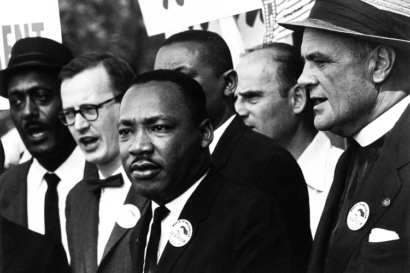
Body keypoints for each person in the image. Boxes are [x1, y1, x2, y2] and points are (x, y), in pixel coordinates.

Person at [154, 30, 311, 272]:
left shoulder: (267, 163)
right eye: (160, 82)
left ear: (228, 83)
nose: (166, 93)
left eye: (183, 79)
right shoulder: (165, 164)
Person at [279, 0, 410, 272]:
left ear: (379, 64)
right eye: (305, 62)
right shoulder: (354, 156)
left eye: (321, 61)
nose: (303, 78)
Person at [120, 69, 292, 273]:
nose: (138, 146)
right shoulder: (144, 223)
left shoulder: (250, 215)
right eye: (126, 132)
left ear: (204, 133)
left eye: (159, 128)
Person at [0, 37, 96, 272]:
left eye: (41, 96)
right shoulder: (4, 190)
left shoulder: (113, 177)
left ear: (69, 100)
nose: (28, 112)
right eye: (16, 101)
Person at [235, 43, 343, 237]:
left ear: (297, 99)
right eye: (235, 99)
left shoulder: (346, 175)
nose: (238, 110)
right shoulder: (235, 181)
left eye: (252, 97)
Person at [59, 53, 147, 273]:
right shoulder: (76, 198)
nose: (78, 125)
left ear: (126, 102)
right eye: (69, 113)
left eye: (89, 109)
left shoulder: (162, 186)